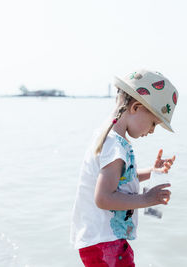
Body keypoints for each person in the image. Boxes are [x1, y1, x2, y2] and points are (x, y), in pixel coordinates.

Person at [70, 69, 179, 266]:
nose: (152, 131)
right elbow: (103, 198)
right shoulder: (114, 146)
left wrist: (152, 172)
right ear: (136, 107)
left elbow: (118, 178)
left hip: (101, 241)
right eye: (153, 123)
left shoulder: (110, 138)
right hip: (105, 243)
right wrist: (146, 199)